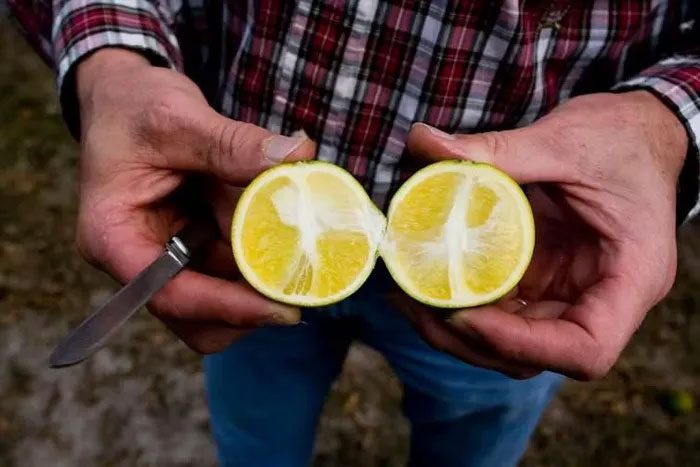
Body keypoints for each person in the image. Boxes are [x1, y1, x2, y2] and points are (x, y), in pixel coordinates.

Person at [7, 1, 700, 465]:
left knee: (471, 440)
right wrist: (113, 64)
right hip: (239, 237)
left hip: (516, 269)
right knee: (255, 437)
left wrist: (667, 127)